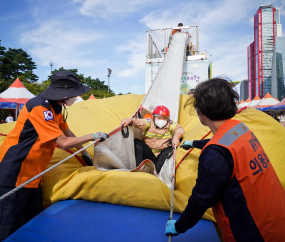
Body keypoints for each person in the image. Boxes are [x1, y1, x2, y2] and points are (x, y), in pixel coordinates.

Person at [165, 77, 285, 241]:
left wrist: (179, 226)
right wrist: (194, 143)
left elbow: (201, 200)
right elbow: (226, 145)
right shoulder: (240, 128)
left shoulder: (214, 154)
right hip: (276, 218)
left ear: (201, 112)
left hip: (254, 231)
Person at [0, 71, 108, 240]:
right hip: (15, 171)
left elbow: (68, 132)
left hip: (34, 174)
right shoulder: (39, 107)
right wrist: (92, 136)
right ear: (64, 93)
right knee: (8, 224)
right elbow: (63, 143)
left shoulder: (56, 108)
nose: (76, 96)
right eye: (74, 94)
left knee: (33, 220)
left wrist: (86, 154)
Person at [121, 106, 184, 173]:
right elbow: (140, 122)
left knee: (170, 148)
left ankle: (156, 173)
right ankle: (139, 168)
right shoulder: (149, 122)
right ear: (153, 117)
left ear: (167, 119)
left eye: (164, 118)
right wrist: (131, 120)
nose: (161, 121)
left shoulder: (170, 124)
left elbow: (180, 129)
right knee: (137, 142)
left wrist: (176, 138)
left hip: (162, 156)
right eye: (159, 118)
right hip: (149, 154)